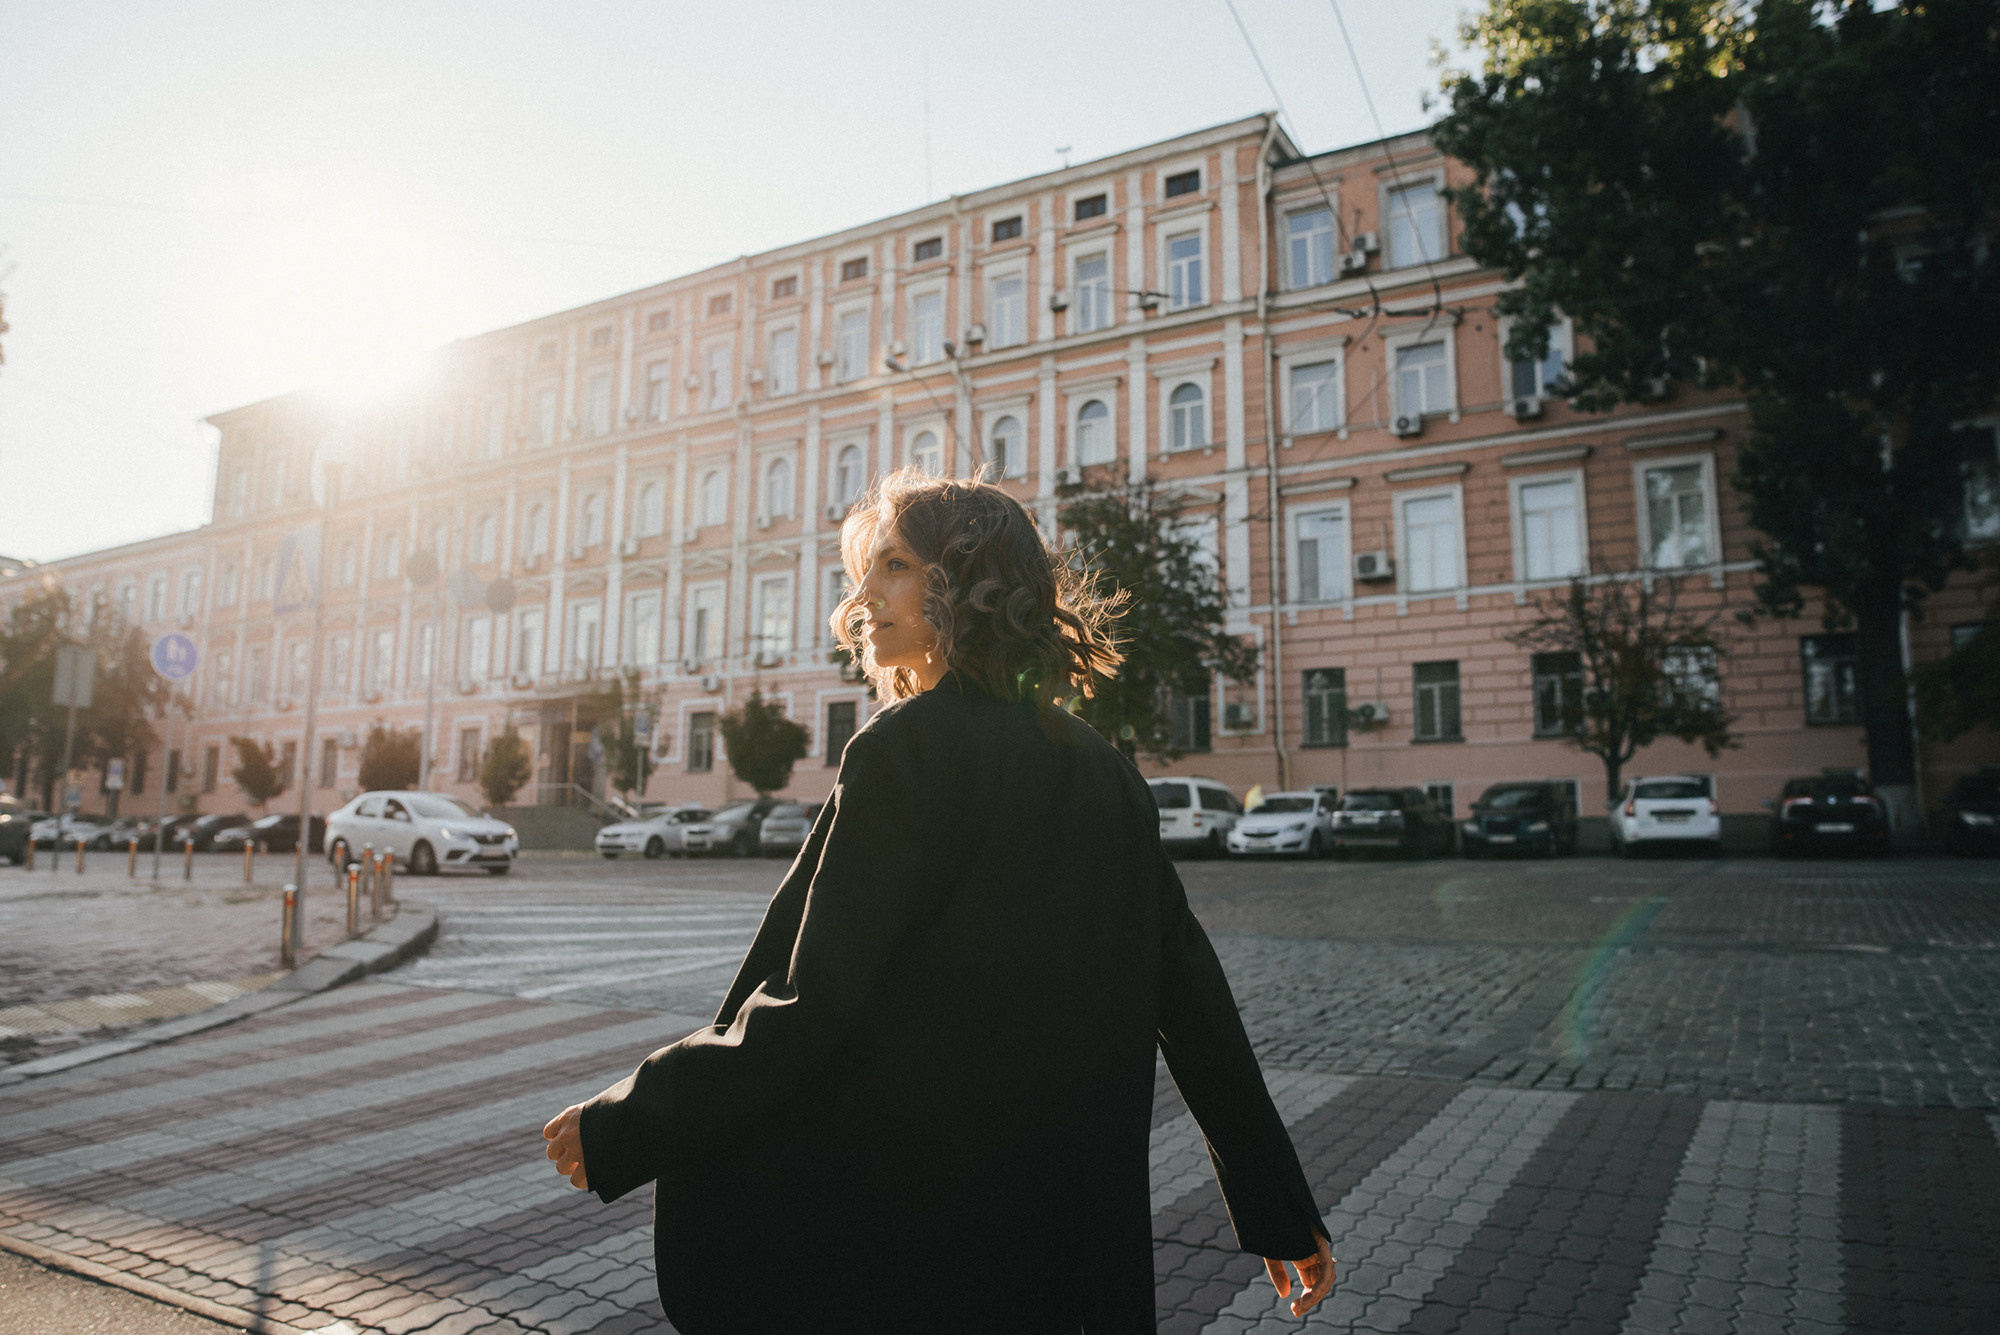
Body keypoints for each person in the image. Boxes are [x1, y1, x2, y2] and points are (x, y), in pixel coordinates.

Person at [544, 469, 1333, 1332]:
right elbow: (1193, 1001)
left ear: (964, 583)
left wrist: (630, 1120)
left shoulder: (902, 751)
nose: (863, 597)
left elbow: (813, 1001)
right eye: (866, 571)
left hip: (919, 1237)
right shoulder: (1104, 769)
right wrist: (1278, 1209)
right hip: (1065, 1245)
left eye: (894, 567)